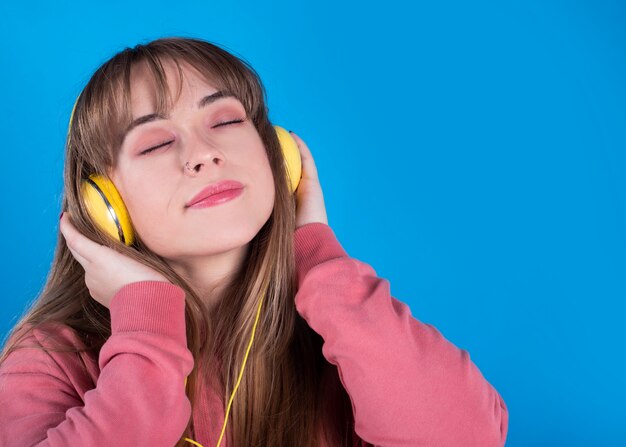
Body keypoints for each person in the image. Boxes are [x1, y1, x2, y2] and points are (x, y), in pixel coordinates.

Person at [0, 36, 509, 447]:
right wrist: (147, 328)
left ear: (278, 156)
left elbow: (472, 437)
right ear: (102, 205)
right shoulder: (50, 359)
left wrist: (320, 263)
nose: (204, 154)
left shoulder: (348, 332)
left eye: (224, 120)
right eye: (155, 142)